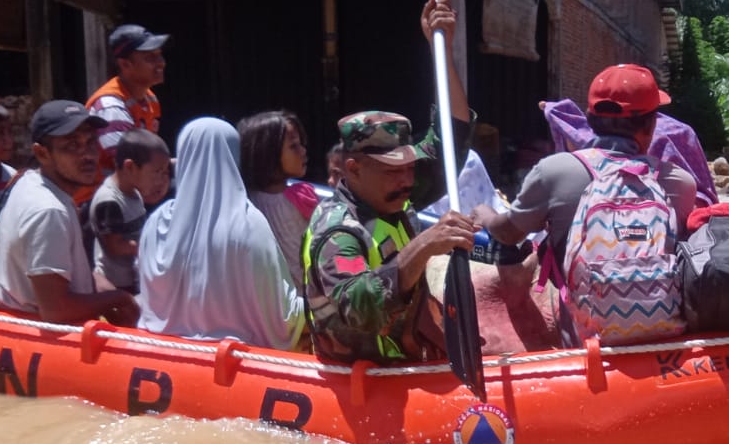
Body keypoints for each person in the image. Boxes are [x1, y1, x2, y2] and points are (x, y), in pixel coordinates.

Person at [473, 63, 697, 283]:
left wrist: (486, 216)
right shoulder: (681, 183)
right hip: (660, 314)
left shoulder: (553, 171)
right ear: (651, 125)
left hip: (577, 315)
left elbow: (509, 235)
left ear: (588, 119)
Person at [303, 111, 476, 363]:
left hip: (406, 362)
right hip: (363, 379)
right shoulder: (338, 232)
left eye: (410, 167)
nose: (407, 181)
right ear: (354, 170)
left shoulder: (391, 199)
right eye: (392, 171)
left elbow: (446, 145)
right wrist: (423, 245)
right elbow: (357, 307)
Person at [138, 118, 305, 349]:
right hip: (233, 368)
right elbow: (281, 316)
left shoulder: (157, 221)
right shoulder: (248, 223)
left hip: (164, 359)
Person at [0, 100, 139, 326]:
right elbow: (56, 310)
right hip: (40, 342)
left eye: (90, 142)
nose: (87, 155)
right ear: (42, 153)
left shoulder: (28, 182)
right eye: (71, 145)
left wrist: (98, 284)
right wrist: (118, 298)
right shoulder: (48, 210)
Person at [238, 109, 319, 287]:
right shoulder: (298, 199)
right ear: (268, 153)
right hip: (312, 302)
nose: (303, 151)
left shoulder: (245, 203)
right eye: (294, 146)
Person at [91, 129, 172, 294]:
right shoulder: (109, 201)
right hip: (116, 285)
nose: (161, 178)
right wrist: (150, 245)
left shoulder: (134, 192)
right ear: (130, 167)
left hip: (134, 277)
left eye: (165, 172)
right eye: (157, 172)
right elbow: (115, 246)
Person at [86, 23, 168, 170]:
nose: (161, 63)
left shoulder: (150, 98)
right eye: (150, 58)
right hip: (104, 191)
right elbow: (129, 168)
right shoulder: (110, 106)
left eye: (160, 55)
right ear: (125, 64)